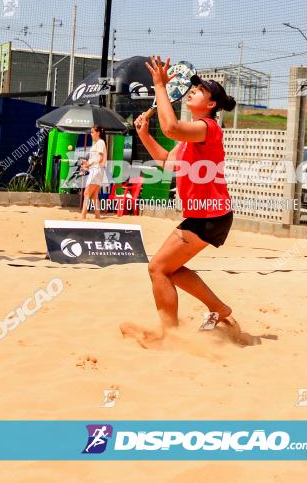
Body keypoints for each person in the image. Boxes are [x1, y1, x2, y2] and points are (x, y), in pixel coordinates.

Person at [130, 55, 239, 339]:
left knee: (158, 269)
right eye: (193, 88)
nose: (193, 90)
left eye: (200, 90)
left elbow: (170, 127)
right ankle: (219, 308)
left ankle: (168, 333)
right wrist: (144, 135)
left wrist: (159, 86)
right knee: (170, 269)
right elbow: (166, 163)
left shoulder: (208, 128)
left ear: (211, 104)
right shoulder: (191, 136)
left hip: (210, 215)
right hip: (204, 215)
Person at [80, 126, 107, 219]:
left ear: (98, 133)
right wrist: (86, 163)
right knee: (95, 195)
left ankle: (83, 215)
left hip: (96, 171)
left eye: (92, 132)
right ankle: (97, 216)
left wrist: (88, 164)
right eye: (90, 132)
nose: (91, 134)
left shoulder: (100, 142)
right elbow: (95, 158)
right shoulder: (98, 143)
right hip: (98, 170)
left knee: (86, 193)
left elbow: (100, 158)